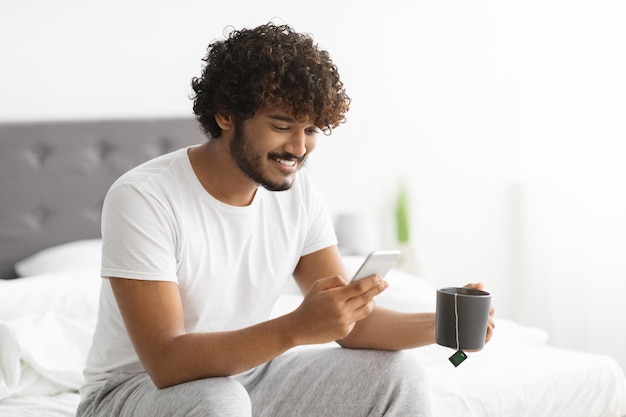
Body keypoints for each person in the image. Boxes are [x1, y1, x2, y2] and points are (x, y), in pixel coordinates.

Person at [77, 22, 495, 417]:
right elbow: (167, 362)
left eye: (312, 130)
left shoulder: (297, 191)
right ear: (226, 115)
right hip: (134, 391)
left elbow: (352, 327)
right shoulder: (144, 198)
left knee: (396, 377)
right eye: (282, 126)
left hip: (249, 376)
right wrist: (295, 327)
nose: (299, 147)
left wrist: (447, 325)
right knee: (218, 401)